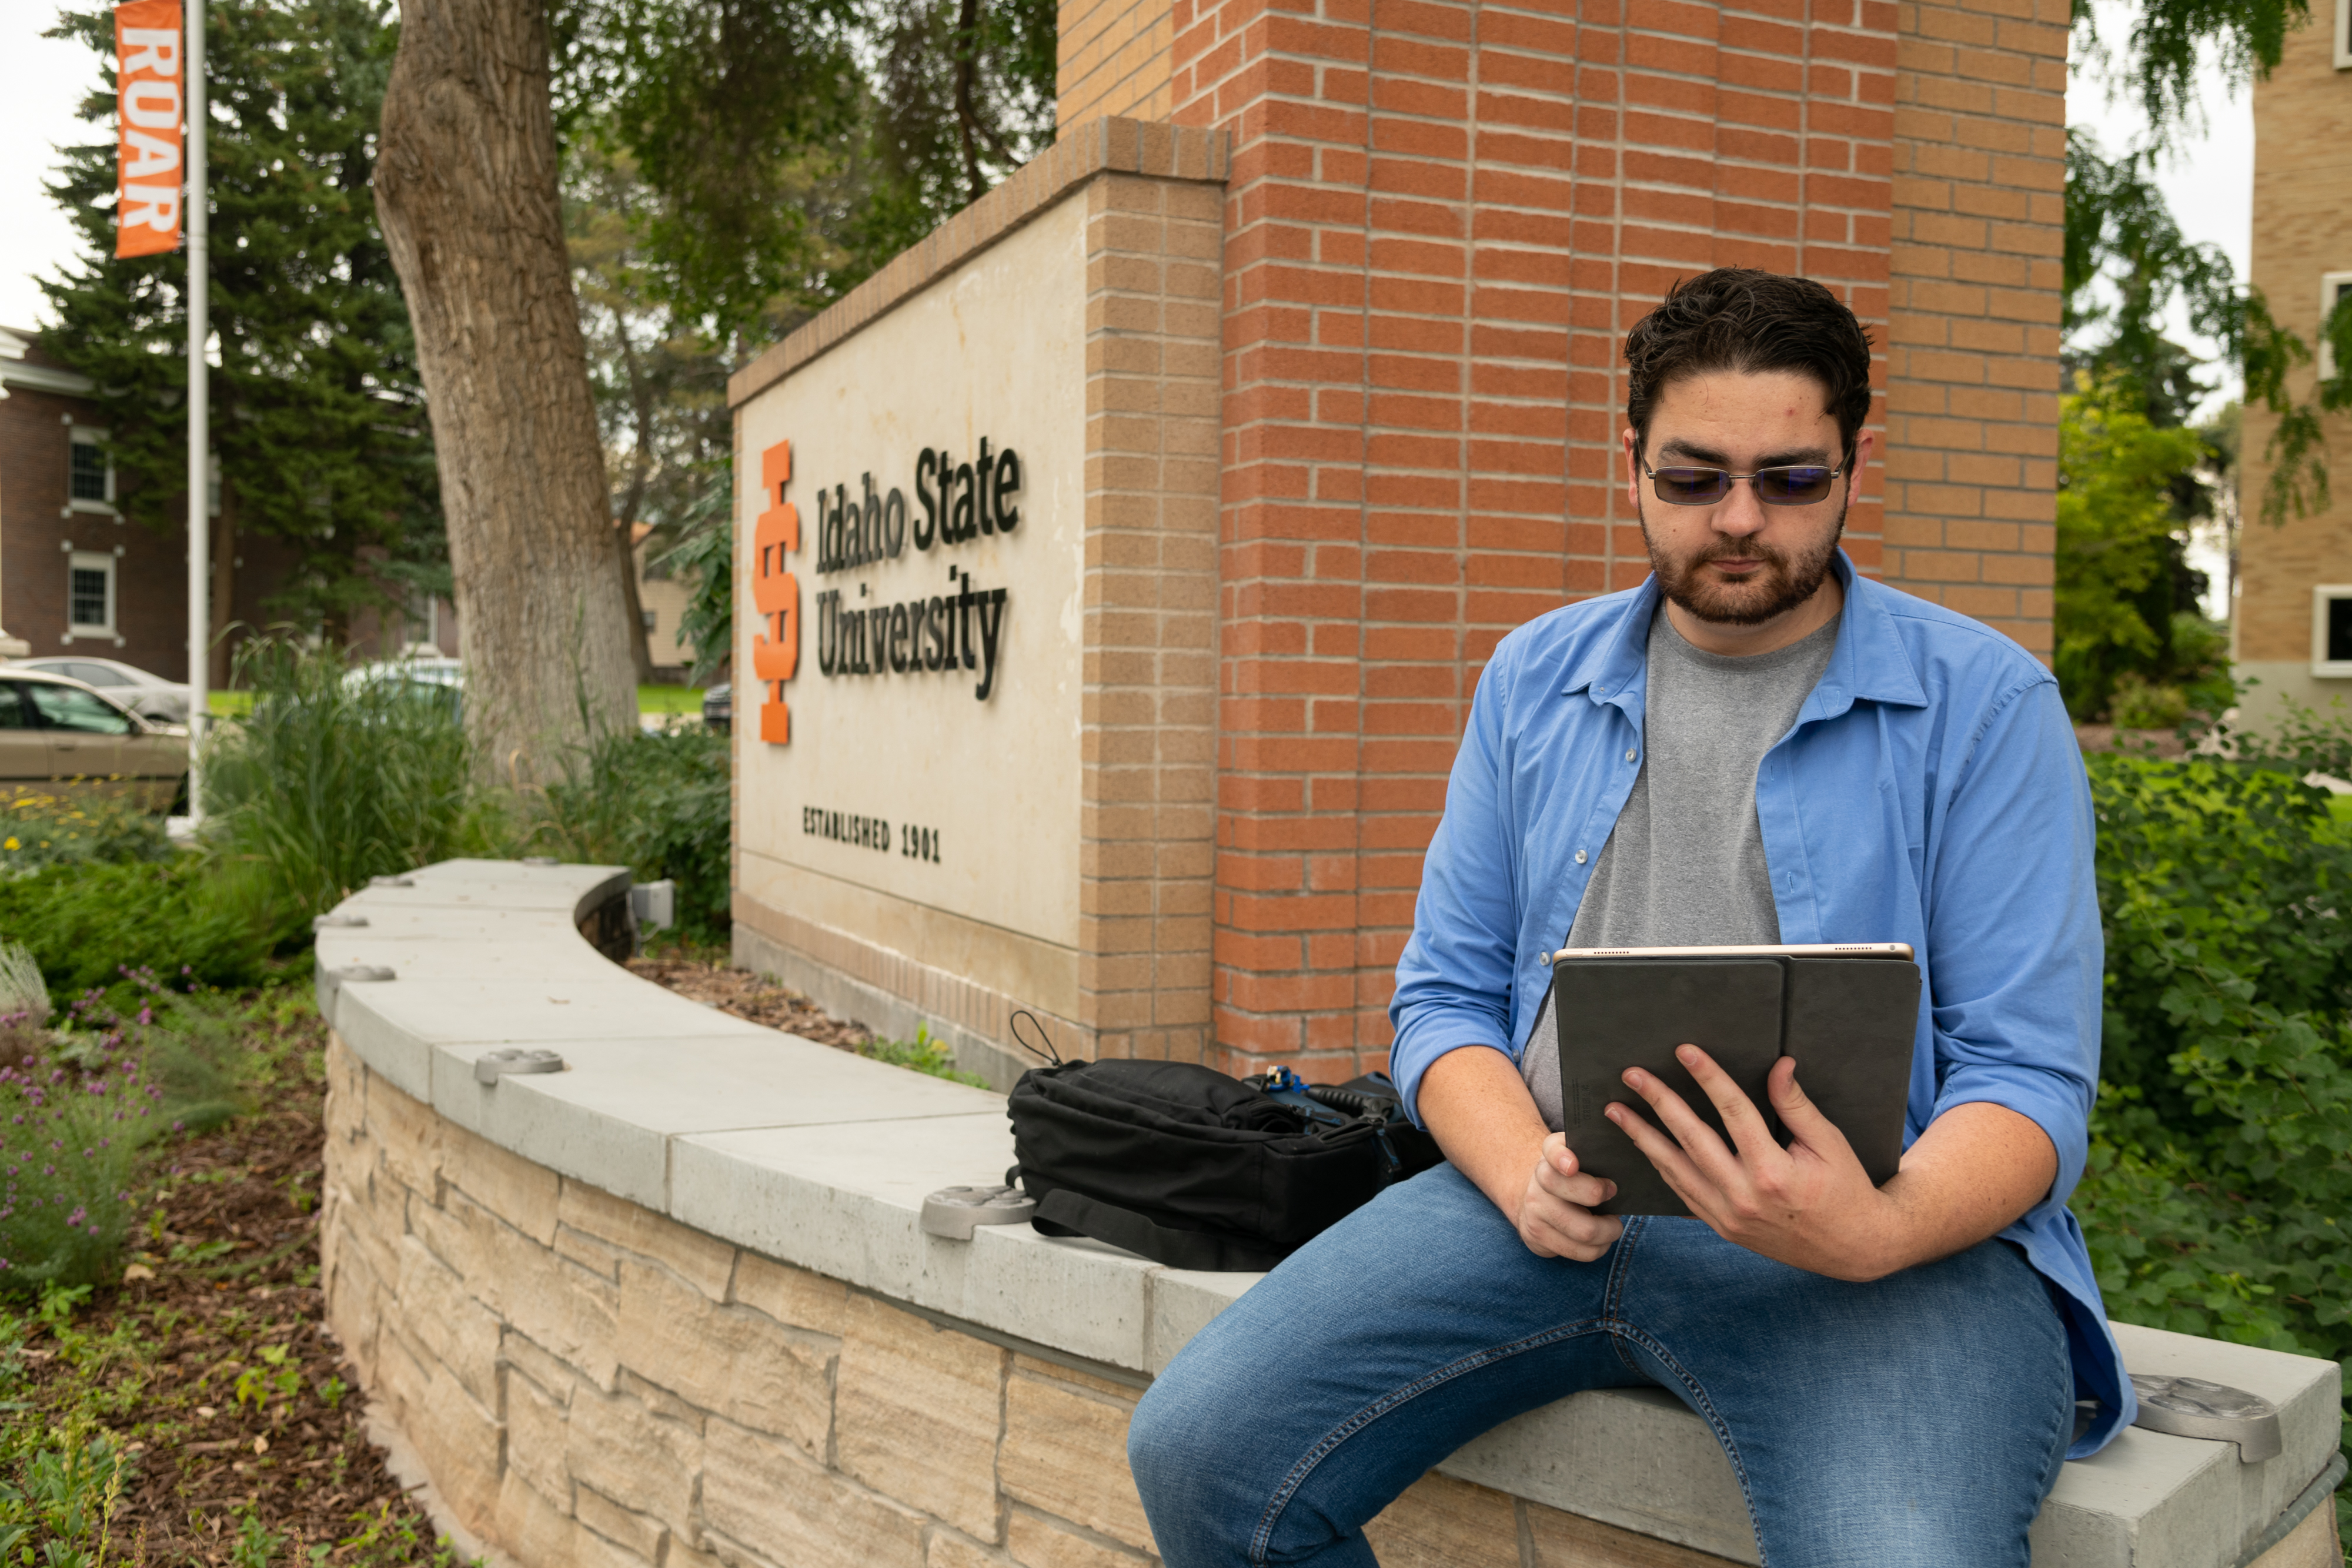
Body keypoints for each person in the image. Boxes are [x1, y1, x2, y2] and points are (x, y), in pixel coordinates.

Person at [1127, 268, 2131, 1568]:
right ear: (1628, 461)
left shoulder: (1985, 707)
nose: (1737, 520)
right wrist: (1513, 1171)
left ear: (1854, 461)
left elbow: (2029, 1074)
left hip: (1879, 1250)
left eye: (1788, 479)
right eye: (1692, 476)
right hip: (1544, 1202)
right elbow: (1443, 995)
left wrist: (1872, 1225)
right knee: (1200, 1451)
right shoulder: (1532, 677)